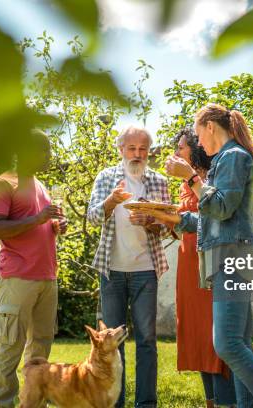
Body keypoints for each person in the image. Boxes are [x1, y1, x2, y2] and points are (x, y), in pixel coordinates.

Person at [139, 104, 253, 408]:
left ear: (209, 126)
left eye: (197, 134)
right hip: (229, 253)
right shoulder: (226, 160)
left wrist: (191, 176)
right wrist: (165, 216)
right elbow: (210, 219)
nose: (198, 142)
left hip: (232, 256)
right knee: (240, 344)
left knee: (227, 344)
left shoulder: (233, 157)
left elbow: (221, 207)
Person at [87, 126, 171, 408]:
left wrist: (151, 221)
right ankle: (116, 403)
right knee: (112, 343)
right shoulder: (106, 178)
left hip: (146, 270)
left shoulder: (158, 181)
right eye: (132, 148)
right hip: (112, 271)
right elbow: (93, 218)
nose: (137, 154)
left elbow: (169, 224)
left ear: (149, 151)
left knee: (147, 339)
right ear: (121, 149)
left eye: (143, 149)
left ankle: (146, 404)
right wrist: (110, 201)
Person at [0, 130, 67, 408]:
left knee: (40, 349)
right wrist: (38, 218)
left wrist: (54, 227)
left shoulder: (41, 186)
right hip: (17, 278)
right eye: (43, 149)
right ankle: (4, 403)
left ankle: (33, 403)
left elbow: (38, 224)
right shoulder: (3, 183)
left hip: (47, 278)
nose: (48, 155)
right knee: (11, 348)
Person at [171, 128, 236, 408]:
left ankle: (227, 402)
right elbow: (185, 224)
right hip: (188, 263)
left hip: (211, 262)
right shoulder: (185, 185)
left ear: (195, 148)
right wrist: (163, 220)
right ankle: (211, 402)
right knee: (197, 334)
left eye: (181, 147)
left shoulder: (209, 178)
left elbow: (215, 217)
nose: (176, 153)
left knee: (214, 337)